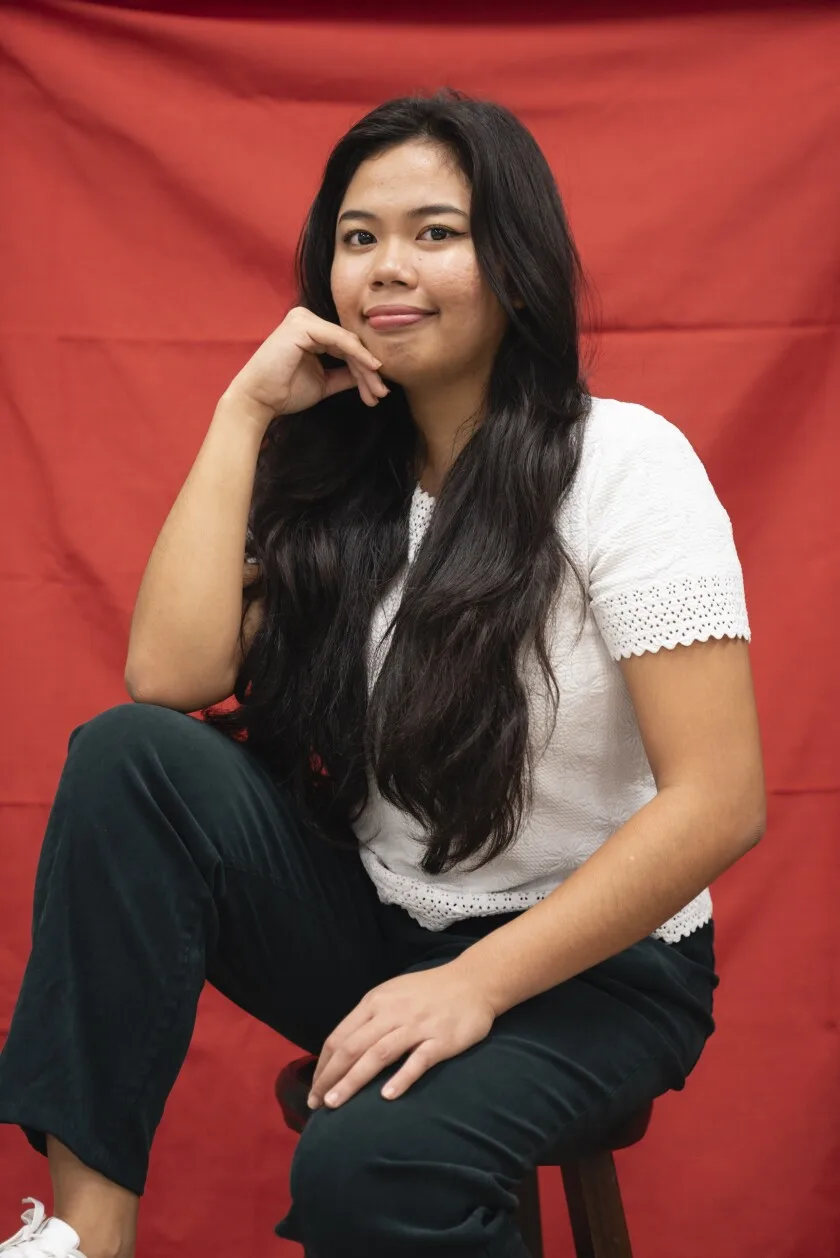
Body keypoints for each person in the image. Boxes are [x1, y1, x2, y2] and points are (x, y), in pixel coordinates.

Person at [0, 90, 765, 1258]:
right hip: (386, 925)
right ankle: (82, 1239)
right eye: (358, 239)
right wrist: (243, 411)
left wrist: (481, 983)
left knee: (370, 1165)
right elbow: (167, 673)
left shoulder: (625, 464)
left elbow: (721, 800)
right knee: (129, 759)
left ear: (512, 262)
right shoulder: (340, 477)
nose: (387, 268)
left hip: (599, 969)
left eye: (434, 232)